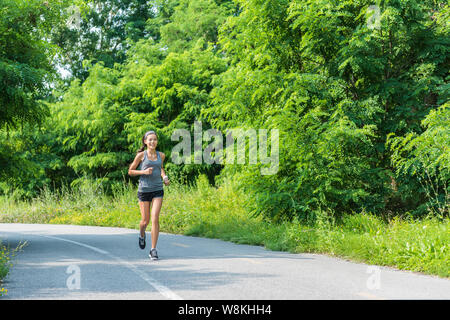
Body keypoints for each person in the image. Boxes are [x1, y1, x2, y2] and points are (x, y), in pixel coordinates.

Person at [128, 130, 170, 260]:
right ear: (145, 142)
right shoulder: (141, 155)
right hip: (144, 190)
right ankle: (142, 234)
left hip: (158, 189)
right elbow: (130, 171)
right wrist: (144, 172)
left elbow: (160, 168)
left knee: (155, 217)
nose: (153, 142)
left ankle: (153, 249)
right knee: (145, 221)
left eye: (155, 139)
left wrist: (164, 177)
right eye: (150, 140)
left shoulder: (161, 155)